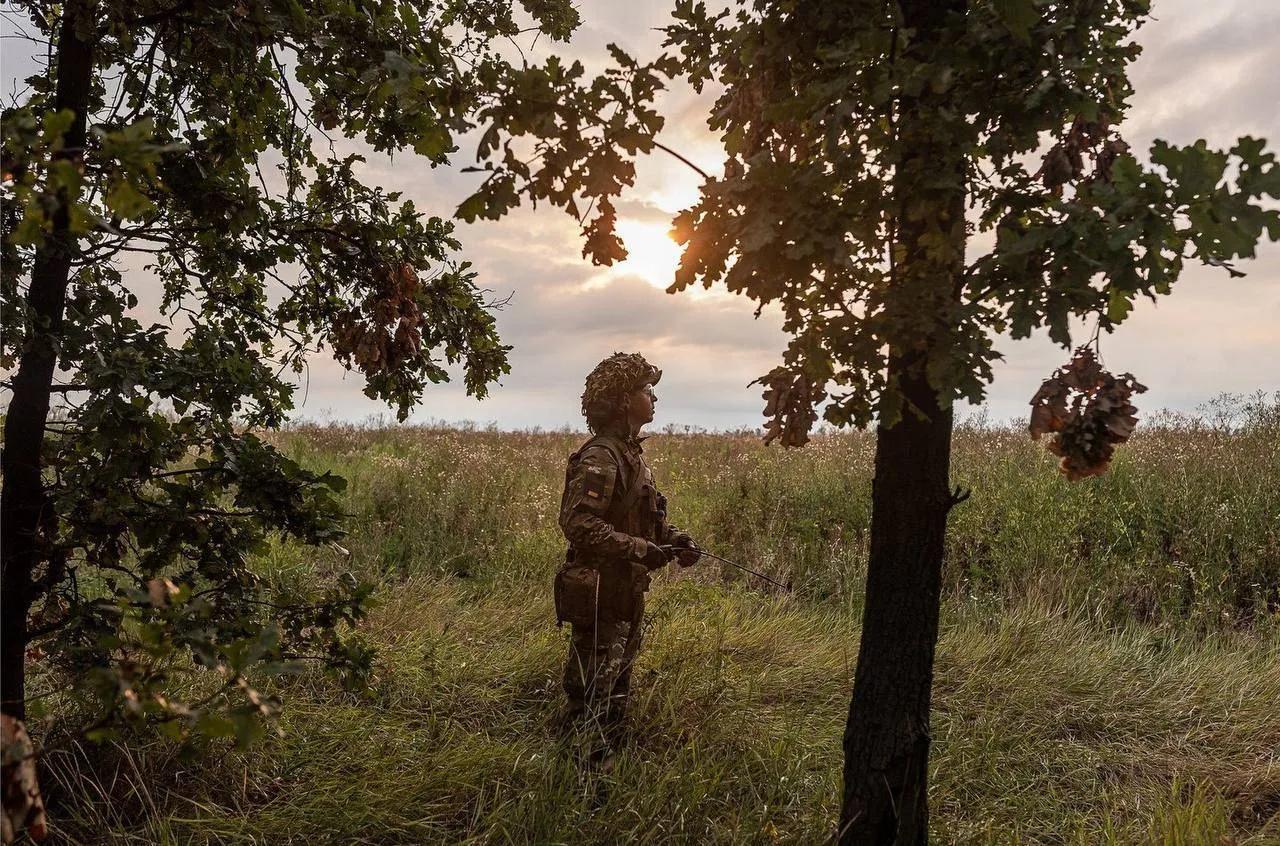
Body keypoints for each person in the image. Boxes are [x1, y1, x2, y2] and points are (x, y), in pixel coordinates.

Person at [554, 353, 700, 748]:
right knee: (589, 700)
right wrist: (639, 549)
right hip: (602, 595)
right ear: (623, 400)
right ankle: (577, 783)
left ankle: (606, 775)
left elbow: (642, 520)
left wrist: (674, 540)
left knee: (616, 694)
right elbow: (579, 525)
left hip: (626, 593)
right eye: (647, 389)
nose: (655, 398)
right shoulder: (602, 456)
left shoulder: (631, 455)